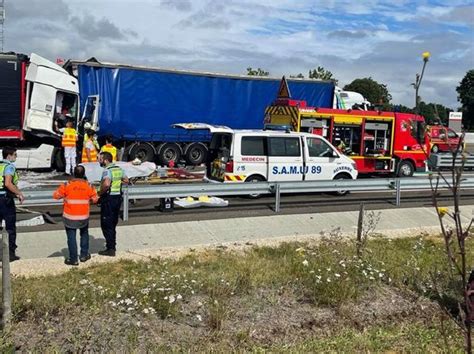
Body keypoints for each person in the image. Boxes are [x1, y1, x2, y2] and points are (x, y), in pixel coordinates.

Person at [53, 166, 98, 265]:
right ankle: (84, 255)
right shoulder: (89, 186)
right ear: (84, 174)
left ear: (74, 173)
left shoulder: (67, 185)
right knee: (84, 234)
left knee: (71, 237)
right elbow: (95, 198)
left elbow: (56, 195)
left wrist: (64, 196)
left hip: (70, 216)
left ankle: (73, 259)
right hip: (83, 217)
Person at [98, 152, 128, 257]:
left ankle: (110, 248)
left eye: (100, 159)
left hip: (109, 198)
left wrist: (99, 193)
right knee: (113, 222)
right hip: (117, 198)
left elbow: (106, 184)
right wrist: (117, 182)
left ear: (105, 160)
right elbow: (126, 180)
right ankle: (112, 245)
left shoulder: (107, 170)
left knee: (106, 223)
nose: (99, 161)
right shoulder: (119, 169)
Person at [0, 147, 25, 261]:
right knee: (10, 227)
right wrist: (19, 193)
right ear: (9, 156)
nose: (16, 157)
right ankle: (10, 254)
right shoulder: (9, 167)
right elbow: (8, 183)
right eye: (15, 155)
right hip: (5, 200)